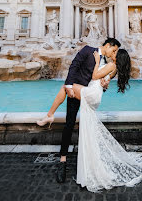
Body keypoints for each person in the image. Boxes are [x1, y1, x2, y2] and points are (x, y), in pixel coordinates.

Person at [37, 38, 121, 183]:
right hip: (75, 93)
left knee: (86, 128)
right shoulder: (88, 50)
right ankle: (62, 162)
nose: (113, 53)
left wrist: (105, 84)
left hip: (86, 94)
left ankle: (50, 115)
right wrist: (69, 85)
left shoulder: (108, 64)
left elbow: (99, 82)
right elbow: (74, 66)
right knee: (69, 125)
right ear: (108, 45)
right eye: (113, 50)